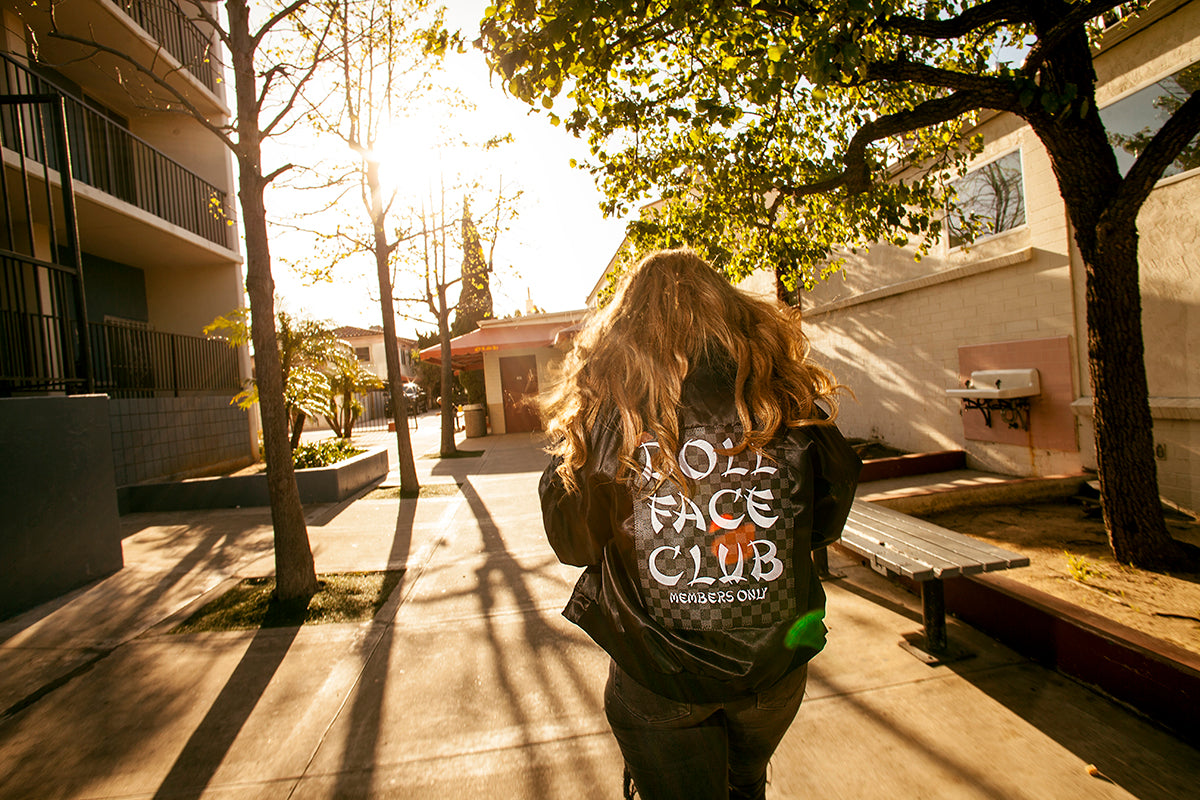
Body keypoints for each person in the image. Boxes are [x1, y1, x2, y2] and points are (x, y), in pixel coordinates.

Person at [539, 249, 862, 799]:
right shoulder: (781, 396)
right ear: (732, 311)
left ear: (625, 326)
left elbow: (573, 544)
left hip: (660, 674)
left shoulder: (612, 414)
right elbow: (828, 512)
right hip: (772, 667)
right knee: (745, 786)